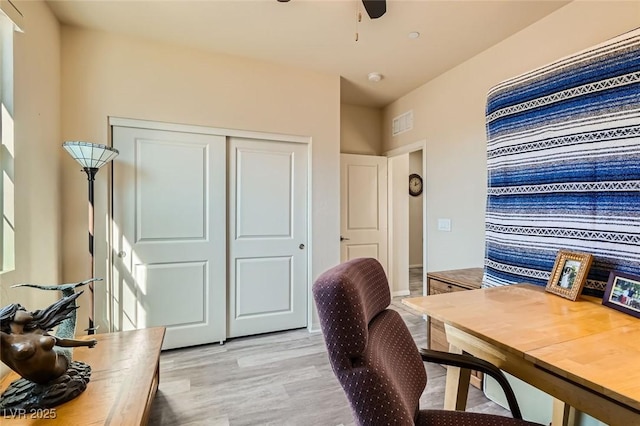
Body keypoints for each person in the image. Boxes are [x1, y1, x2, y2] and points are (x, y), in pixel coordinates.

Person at [0, 292, 97, 385]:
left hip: (61, 363)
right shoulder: (5, 340)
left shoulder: (37, 331)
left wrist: (87, 343)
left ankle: (68, 291)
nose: (28, 311)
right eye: (22, 310)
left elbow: (61, 341)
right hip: (40, 380)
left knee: (67, 329)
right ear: (11, 315)